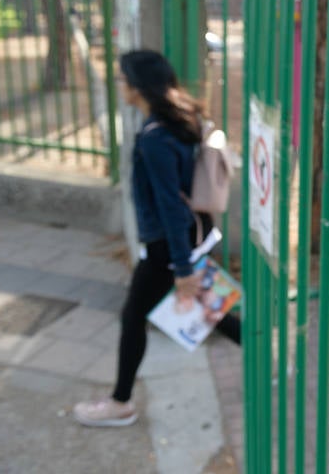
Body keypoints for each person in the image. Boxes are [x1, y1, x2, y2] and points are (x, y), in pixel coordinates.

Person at [74, 49, 240, 427]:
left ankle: (121, 403)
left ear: (137, 87)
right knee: (207, 307)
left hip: (170, 246)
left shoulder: (155, 137)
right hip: (192, 235)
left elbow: (169, 206)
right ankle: (266, 356)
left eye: (122, 79)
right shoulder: (183, 118)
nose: (120, 85)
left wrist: (180, 267)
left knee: (134, 316)